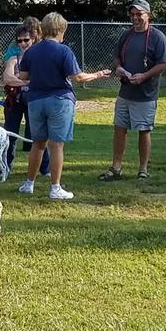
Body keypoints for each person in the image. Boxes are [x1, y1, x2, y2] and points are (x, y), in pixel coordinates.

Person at [16, 12, 110, 199]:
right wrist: (98, 74)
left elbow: (23, 77)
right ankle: (55, 188)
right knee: (56, 145)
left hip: (35, 100)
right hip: (59, 100)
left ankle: (29, 184)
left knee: (38, 144)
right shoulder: (64, 51)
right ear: (60, 30)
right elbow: (77, 77)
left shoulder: (31, 51)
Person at [98, 0, 166, 181]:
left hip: (146, 94)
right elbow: (117, 58)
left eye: (139, 14)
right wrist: (119, 69)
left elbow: (165, 63)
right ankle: (116, 167)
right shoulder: (126, 35)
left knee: (144, 130)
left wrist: (145, 76)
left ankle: (143, 169)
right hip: (125, 92)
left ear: (148, 15)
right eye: (132, 14)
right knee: (119, 128)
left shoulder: (157, 37)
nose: (135, 18)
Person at [2, 24, 50, 179]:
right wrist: (28, 83)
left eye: (26, 40)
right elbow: (7, 78)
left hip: (34, 101)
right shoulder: (13, 59)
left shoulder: (40, 58)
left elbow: (42, 79)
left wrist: (18, 81)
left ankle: (45, 168)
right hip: (14, 101)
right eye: (20, 41)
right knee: (10, 134)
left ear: (34, 39)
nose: (23, 43)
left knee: (38, 134)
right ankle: (6, 167)